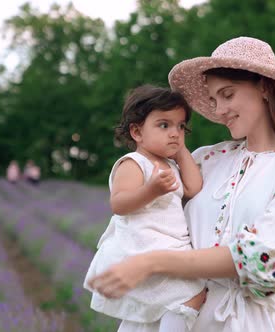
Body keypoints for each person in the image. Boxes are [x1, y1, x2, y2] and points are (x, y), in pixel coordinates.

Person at [88, 37, 275, 332]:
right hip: (167, 314)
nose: (219, 110)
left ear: (265, 87)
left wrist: (154, 263)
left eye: (228, 94)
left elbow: (266, 259)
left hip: (238, 322)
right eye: (213, 99)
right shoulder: (207, 158)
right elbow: (146, 219)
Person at [83, 85, 207, 332]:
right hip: (144, 247)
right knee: (191, 294)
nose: (175, 133)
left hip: (169, 247)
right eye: (164, 125)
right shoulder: (133, 164)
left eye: (180, 126)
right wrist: (150, 191)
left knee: (150, 316)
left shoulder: (171, 165)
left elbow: (193, 187)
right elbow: (119, 204)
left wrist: (181, 151)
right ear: (137, 132)